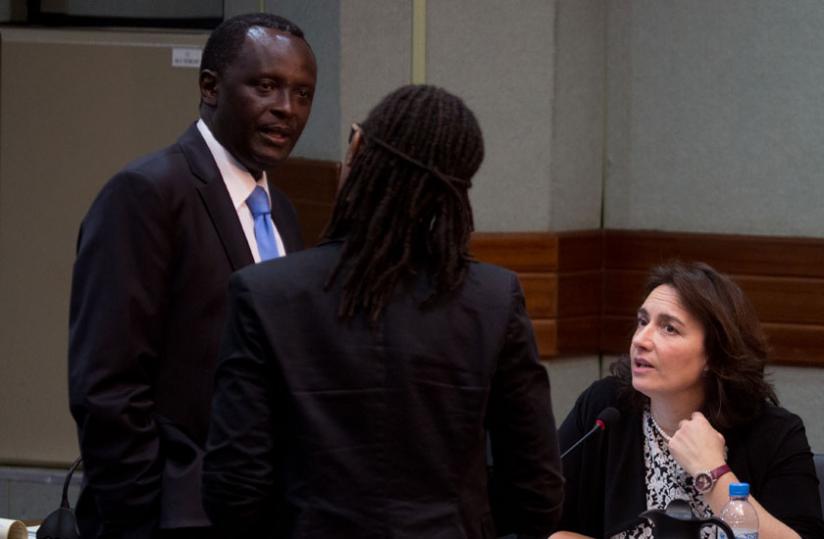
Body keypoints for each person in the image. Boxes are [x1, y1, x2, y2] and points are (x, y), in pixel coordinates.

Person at [201, 84, 565, 538]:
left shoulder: (265, 293)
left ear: (359, 151)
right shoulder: (493, 299)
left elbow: (234, 489)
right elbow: (537, 491)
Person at [68, 12, 316, 538]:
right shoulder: (147, 194)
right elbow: (107, 387)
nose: (286, 110)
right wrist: (138, 518)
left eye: (302, 94)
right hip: (171, 515)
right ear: (210, 87)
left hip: (265, 513)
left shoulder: (284, 212)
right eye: (267, 86)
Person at [552, 262, 824, 539]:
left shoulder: (775, 434)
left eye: (669, 328)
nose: (641, 340)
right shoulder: (606, 409)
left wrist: (713, 473)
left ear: (714, 355)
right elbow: (542, 520)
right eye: (643, 322)